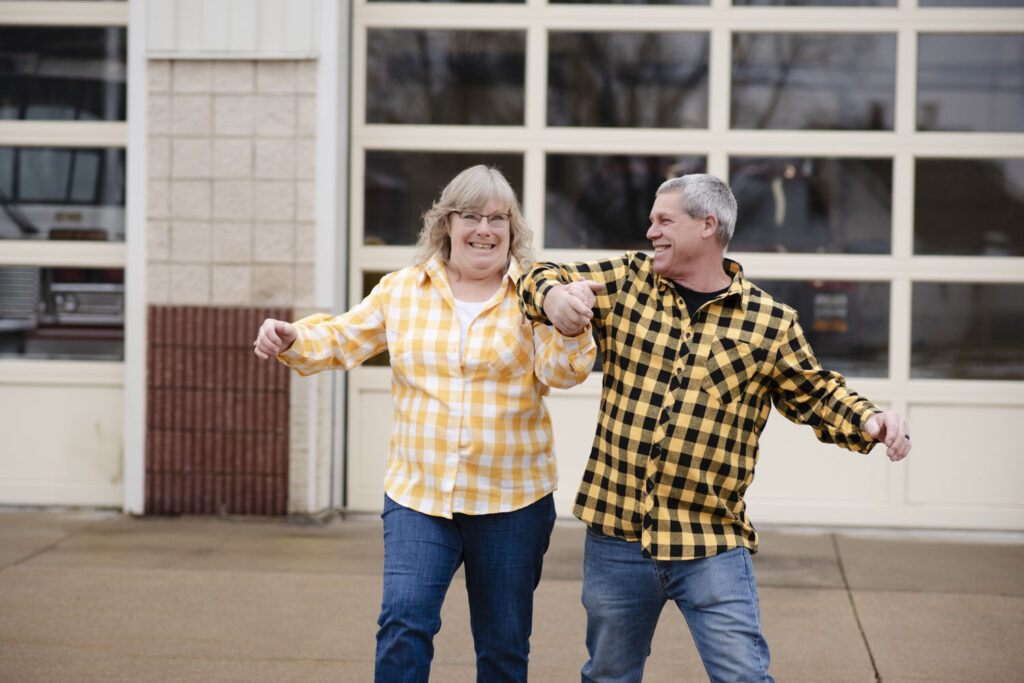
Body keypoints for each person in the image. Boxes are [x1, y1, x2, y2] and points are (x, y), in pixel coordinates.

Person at [516, 173, 911, 683]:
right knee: (609, 676)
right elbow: (535, 273)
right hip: (618, 534)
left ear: (708, 225)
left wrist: (868, 418)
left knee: (743, 677)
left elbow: (815, 393)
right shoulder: (624, 281)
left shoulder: (770, 322)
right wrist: (552, 298)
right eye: (651, 219)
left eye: (664, 220)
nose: (650, 230)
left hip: (711, 538)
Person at [253, 165, 596, 682]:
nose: (485, 229)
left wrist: (571, 327)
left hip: (512, 501)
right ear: (446, 223)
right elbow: (345, 338)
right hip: (420, 496)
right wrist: (293, 338)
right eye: (472, 216)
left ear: (512, 228)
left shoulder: (531, 295)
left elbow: (560, 372)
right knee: (403, 624)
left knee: (503, 647)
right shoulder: (402, 290)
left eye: (498, 218)